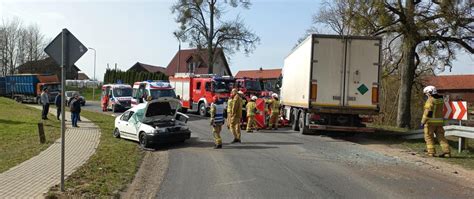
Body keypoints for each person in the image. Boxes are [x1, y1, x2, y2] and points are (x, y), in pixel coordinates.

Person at [421, 86, 450, 158]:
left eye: (426, 93)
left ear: (429, 92)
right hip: (439, 122)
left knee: (428, 137)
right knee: (441, 137)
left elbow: (428, 112)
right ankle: (447, 153)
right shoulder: (440, 99)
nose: (426, 95)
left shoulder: (430, 100)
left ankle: (431, 152)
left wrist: (423, 121)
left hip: (430, 123)